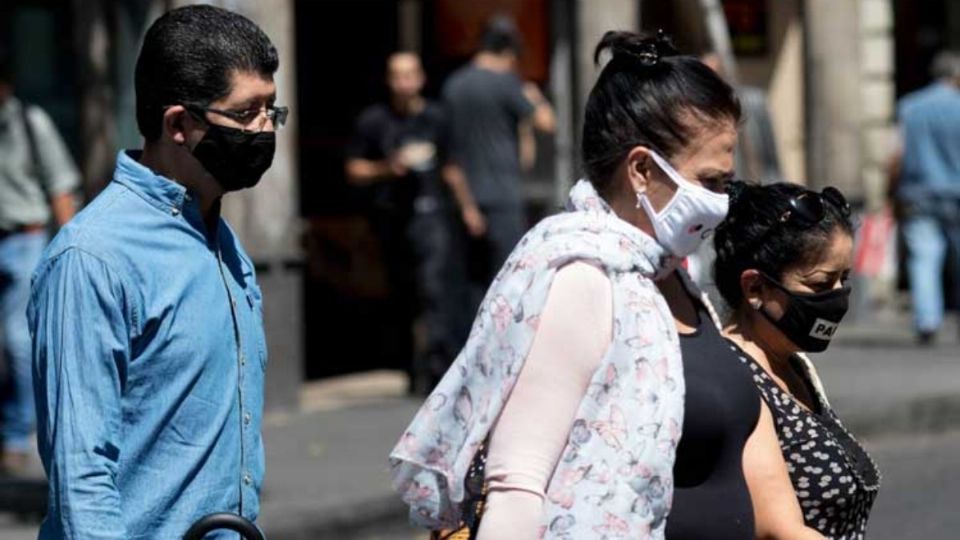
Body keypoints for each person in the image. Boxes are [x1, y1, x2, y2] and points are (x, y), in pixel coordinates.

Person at [390, 31, 742, 538]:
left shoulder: (666, 273)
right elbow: (518, 483)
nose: (721, 200)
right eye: (710, 182)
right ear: (642, 169)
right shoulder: (585, 277)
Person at [28, 5, 284, 537]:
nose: (264, 130)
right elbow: (81, 476)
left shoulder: (220, 239)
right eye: (246, 114)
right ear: (177, 124)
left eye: (272, 111)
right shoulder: (93, 258)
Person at [715, 181, 880, 538]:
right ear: (755, 288)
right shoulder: (735, 376)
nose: (838, 298)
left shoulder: (794, 363)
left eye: (844, 280)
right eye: (821, 285)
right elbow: (779, 529)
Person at [346, 52, 482, 394]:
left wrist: (468, 208)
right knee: (402, 292)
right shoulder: (374, 121)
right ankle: (409, 366)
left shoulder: (437, 118)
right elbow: (353, 169)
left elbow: (451, 166)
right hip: (391, 218)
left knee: (434, 288)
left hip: (432, 213)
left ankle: (437, 369)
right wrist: (384, 169)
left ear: (420, 78)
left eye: (410, 75)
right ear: (389, 80)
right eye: (397, 75)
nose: (404, 82)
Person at [442, 16, 556, 322]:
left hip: (466, 201)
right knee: (508, 282)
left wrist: (466, 207)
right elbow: (547, 122)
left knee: (470, 285)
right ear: (510, 53)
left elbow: (450, 157)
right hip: (503, 198)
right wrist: (532, 95)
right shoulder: (507, 84)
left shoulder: (454, 86)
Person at [0, 48, 79, 474]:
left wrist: (66, 255)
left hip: (25, 240)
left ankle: (21, 435)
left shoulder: (31, 123)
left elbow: (61, 188)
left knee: (18, 340)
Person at [887, 50, 960, 344]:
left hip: (918, 193)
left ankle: (927, 320)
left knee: (923, 257)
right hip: (956, 192)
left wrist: (890, 191)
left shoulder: (910, 106)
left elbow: (895, 155)